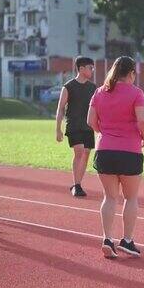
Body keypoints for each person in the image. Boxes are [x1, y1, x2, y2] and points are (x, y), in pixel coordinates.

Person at [87, 56, 144, 259]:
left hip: (105, 151)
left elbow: (90, 120)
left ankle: (107, 239)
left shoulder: (99, 92)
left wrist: (102, 133)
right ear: (131, 73)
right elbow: (143, 120)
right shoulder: (136, 93)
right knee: (130, 198)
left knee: (109, 197)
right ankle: (127, 240)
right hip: (130, 150)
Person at [56, 56, 97, 197]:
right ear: (81, 68)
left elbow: (97, 109)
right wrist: (58, 129)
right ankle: (77, 185)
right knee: (79, 151)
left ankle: (78, 183)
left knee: (86, 153)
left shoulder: (93, 88)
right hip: (73, 125)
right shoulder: (68, 87)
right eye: (90, 67)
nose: (92, 70)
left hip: (88, 127)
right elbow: (60, 108)